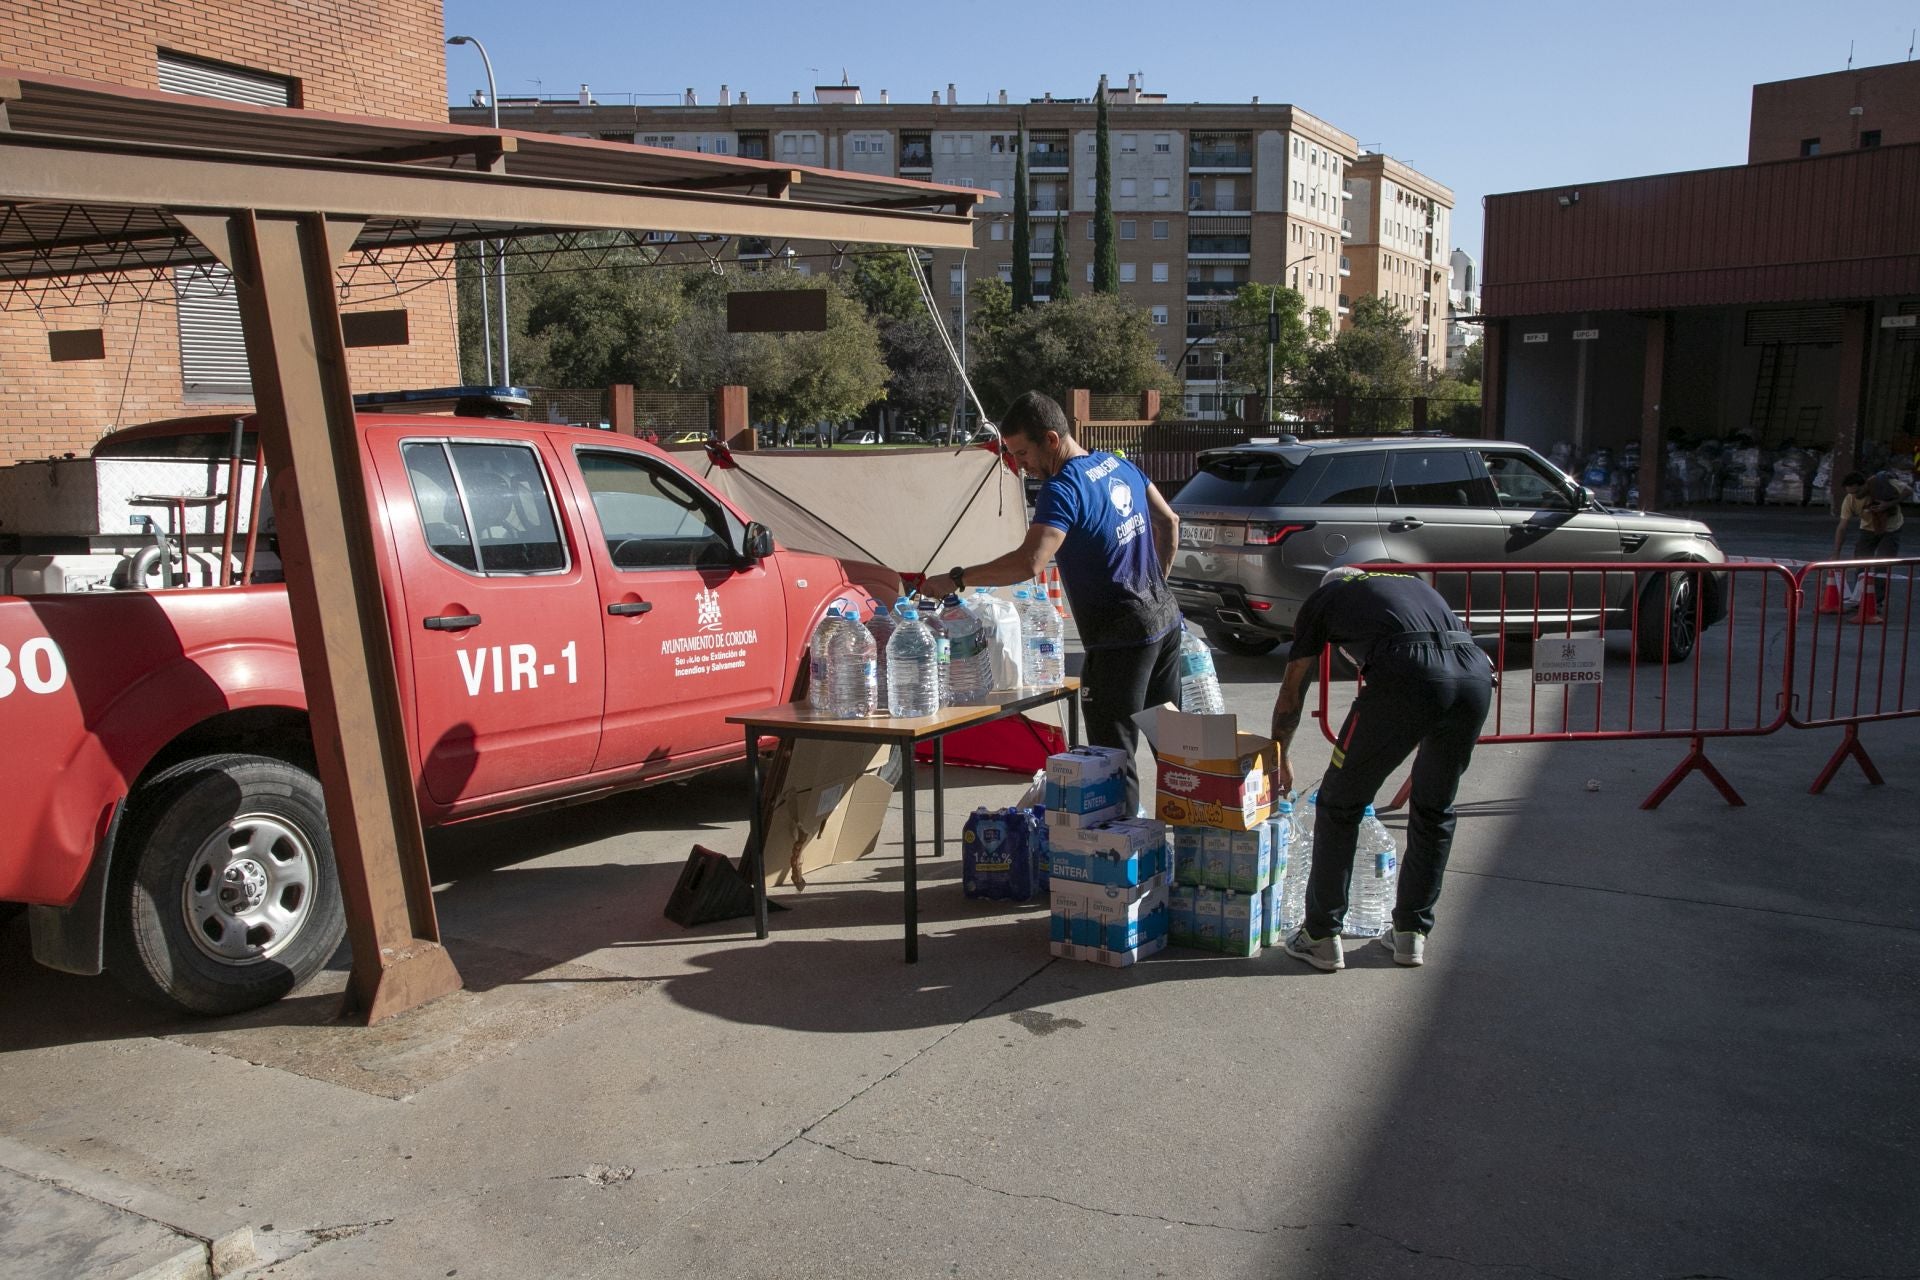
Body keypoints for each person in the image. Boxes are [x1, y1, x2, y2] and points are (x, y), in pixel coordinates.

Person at [920, 391, 1181, 812]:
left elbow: (1030, 561)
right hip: (1164, 624)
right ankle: (1196, 844)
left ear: (1052, 440)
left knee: (1112, 761)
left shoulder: (1063, 488)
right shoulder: (1119, 464)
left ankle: (1119, 862)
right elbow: (1169, 520)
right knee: (1175, 750)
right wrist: (1156, 588)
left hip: (1119, 641)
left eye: (1023, 452)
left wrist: (957, 579)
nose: (1018, 464)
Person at [1269, 568, 1493, 971]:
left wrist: (1279, 752)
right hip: (1475, 674)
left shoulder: (1326, 598)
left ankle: (1320, 935)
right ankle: (1411, 934)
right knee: (1435, 807)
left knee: (1340, 803)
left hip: (1407, 673)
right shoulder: (1413, 588)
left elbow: (1293, 686)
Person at [1833, 469, 1911, 614]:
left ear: (1864, 485)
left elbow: (1908, 491)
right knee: (1861, 563)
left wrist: (1889, 504)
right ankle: (1859, 599)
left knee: (1882, 565)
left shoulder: (1882, 483)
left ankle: (1876, 602)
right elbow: (1842, 527)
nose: (1855, 496)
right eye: (1851, 493)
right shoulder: (1850, 499)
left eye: (1857, 492)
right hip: (1867, 530)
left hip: (1891, 529)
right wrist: (1836, 553)